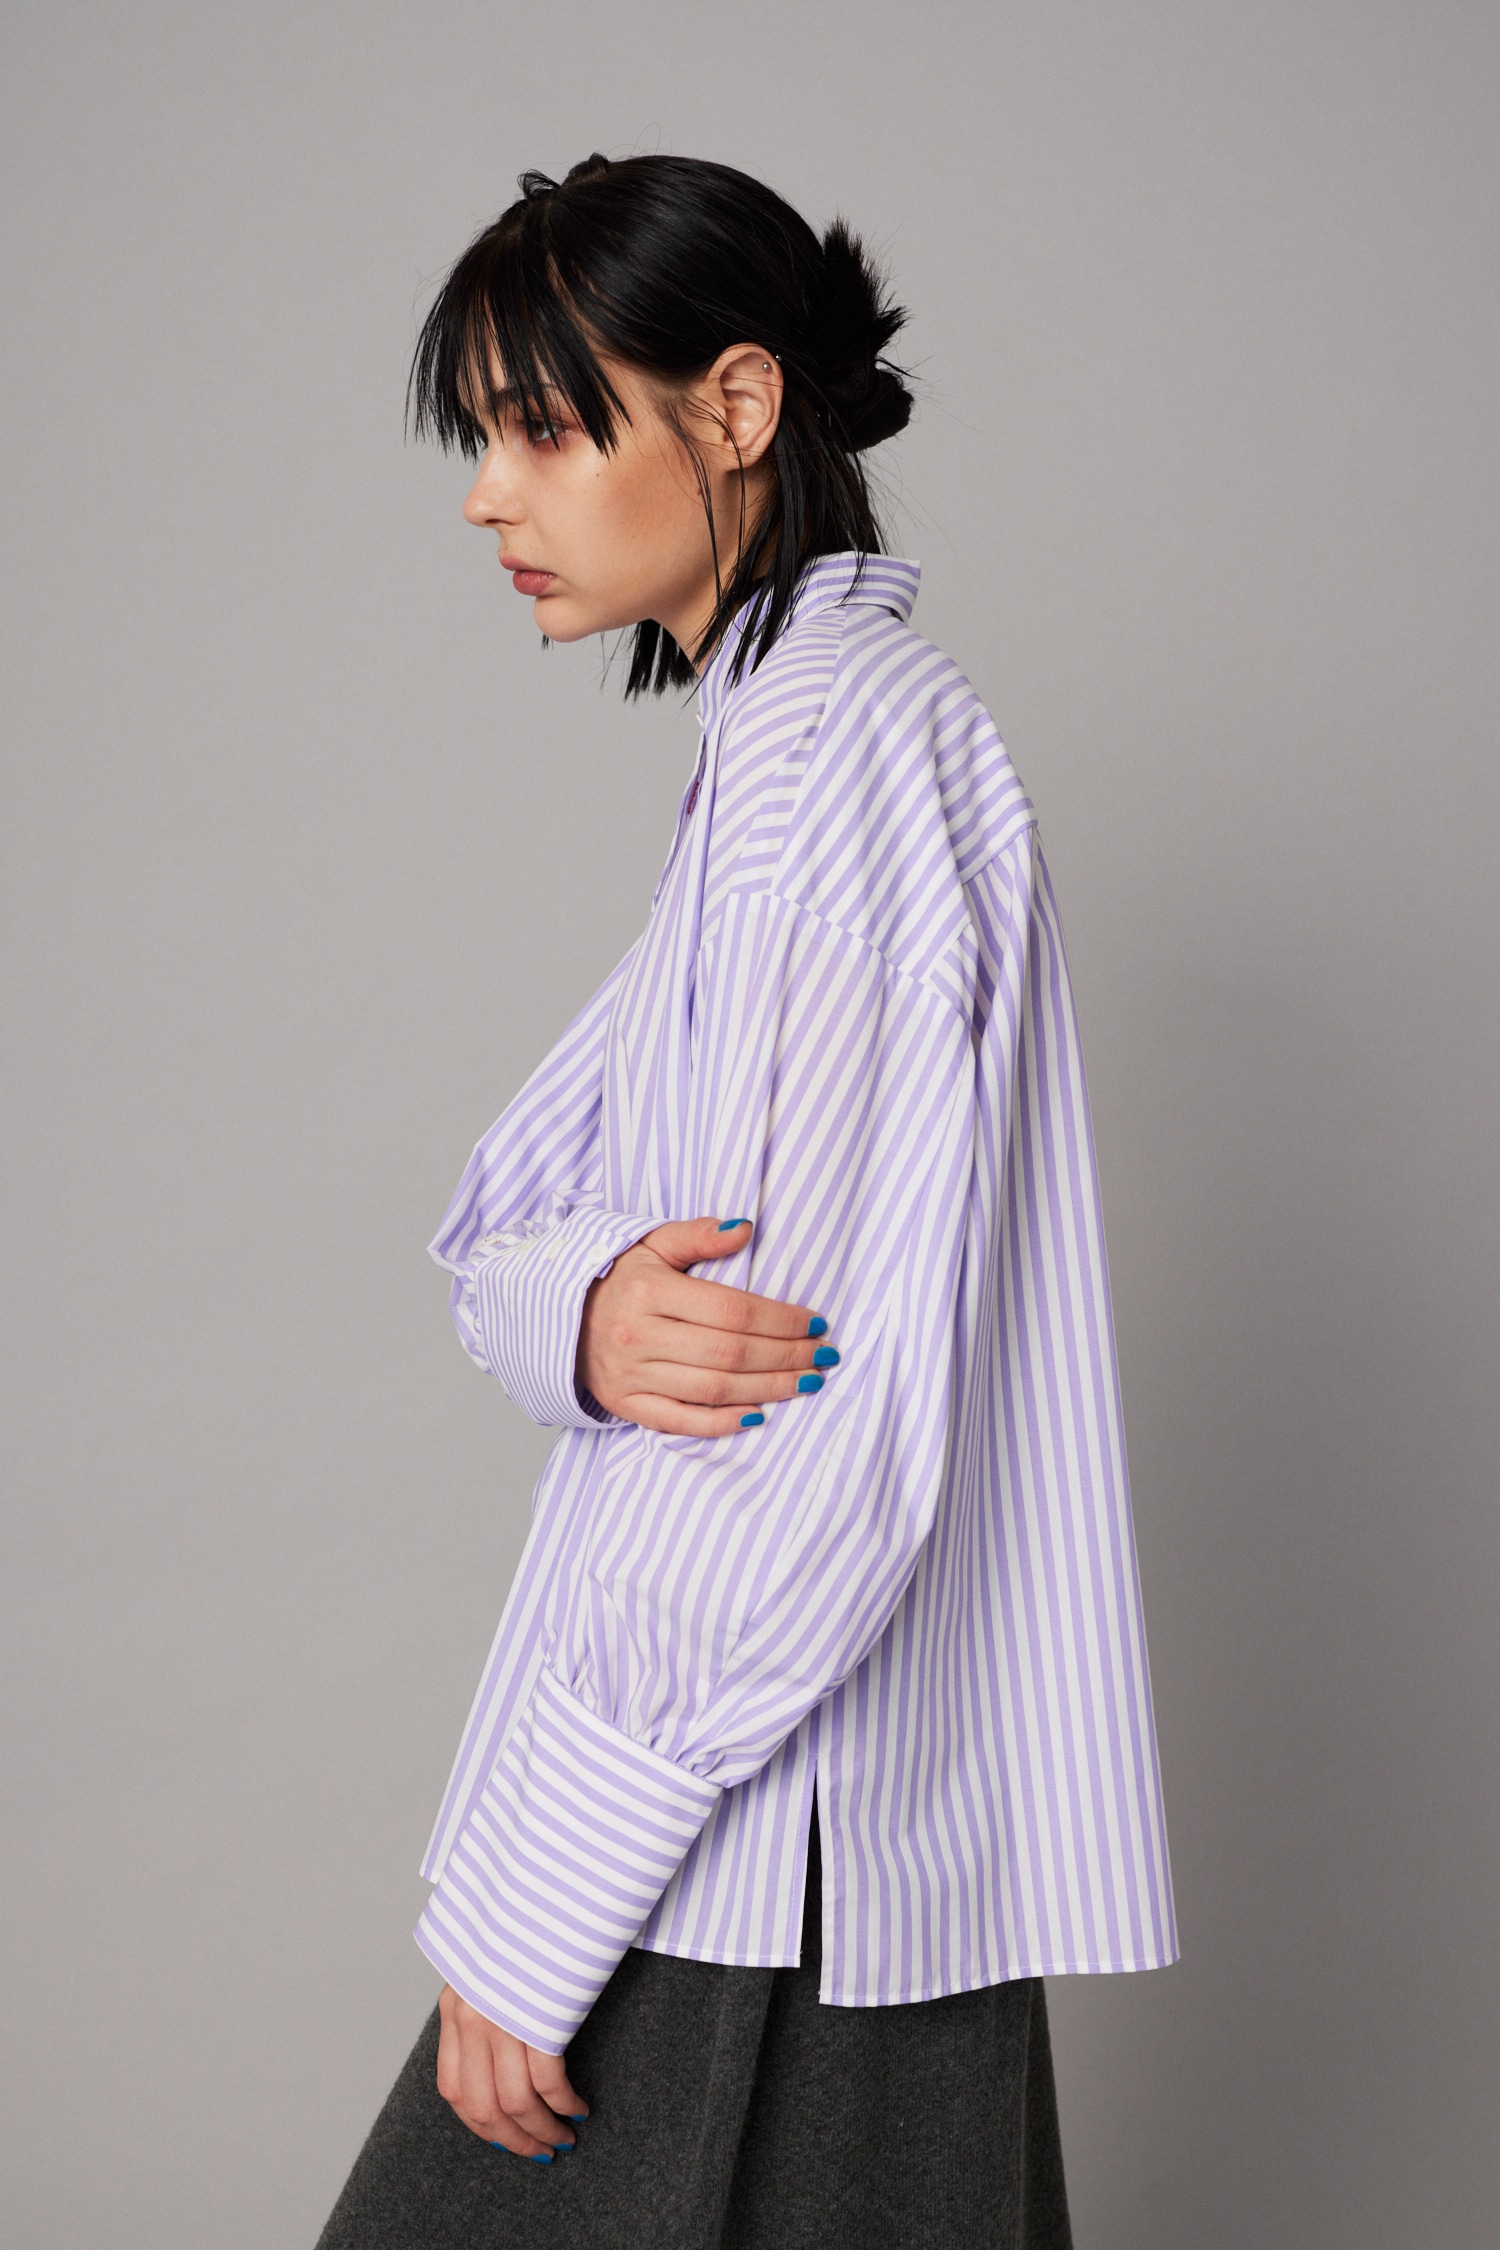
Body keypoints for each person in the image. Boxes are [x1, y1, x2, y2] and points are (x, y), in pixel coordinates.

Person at [318, 152, 1176, 2250]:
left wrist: (546, 1891)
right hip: (784, 1831)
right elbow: (506, 1220)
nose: (487, 496)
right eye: (483, 437)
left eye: (543, 427)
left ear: (734, 406)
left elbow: (810, 1425)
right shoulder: (778, 748)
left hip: (776, 1844)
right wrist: (588, 1300)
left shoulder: (839, 763)